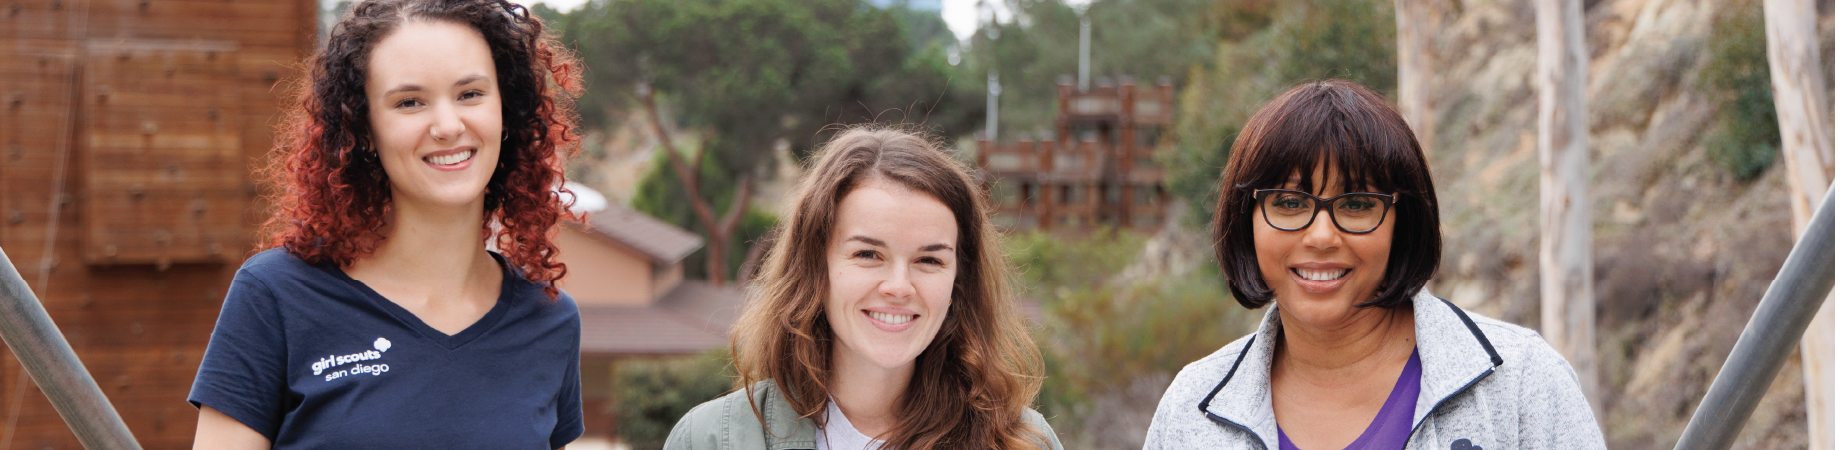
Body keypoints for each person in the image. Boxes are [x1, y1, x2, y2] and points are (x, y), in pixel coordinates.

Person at [187, 0, 585, 448]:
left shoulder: (549, 320)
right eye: (409, 102)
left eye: (470, 94)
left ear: (506, 111)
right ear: (366, 131)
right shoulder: (275, 296)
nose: (448, 126)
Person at [1142, 80, 1606, 449]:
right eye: (1288, 202)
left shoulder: (1521, 383)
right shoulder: (1192, 409)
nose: (1321, 236)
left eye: (1358, 204)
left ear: (1402, 222)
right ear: (1247, 220)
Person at [665, 127, 1064, 450]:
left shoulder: (1023, 442)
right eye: (869, 254)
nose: (898, 286)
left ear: (959, 281)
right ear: (816, 267)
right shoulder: (711, 440)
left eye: (930, 260)